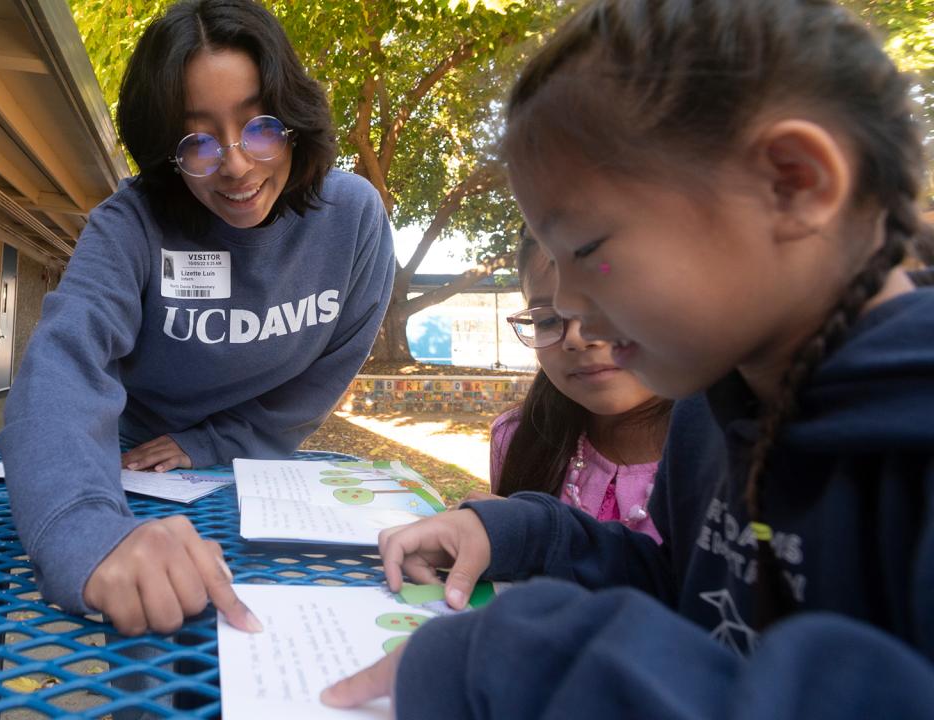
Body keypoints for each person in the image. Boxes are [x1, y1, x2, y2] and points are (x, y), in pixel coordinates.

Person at [322, 0, 934, 716]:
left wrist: (533, 657)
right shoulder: (717, 412)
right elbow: (685, 591)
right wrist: (515, 530)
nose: (572, 305)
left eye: (585, 250)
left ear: (792, 183)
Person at [0, 0, 394, 636]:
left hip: (258, 461)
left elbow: (320, 378)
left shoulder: (353, 220)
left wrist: (208, 444)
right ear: (166, 152)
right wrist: (91, 533)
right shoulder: (130, 224)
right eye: (198, 141)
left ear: (292, 118)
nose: (235, 165)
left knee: (260, 637)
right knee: (153, 646)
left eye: (260, 125)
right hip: (133, 466)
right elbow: (63, 366)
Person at [478, 227, 669, 542]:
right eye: (549, 320)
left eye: (609, 306)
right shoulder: (517, 438)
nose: (577, 338)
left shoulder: (732, 455)